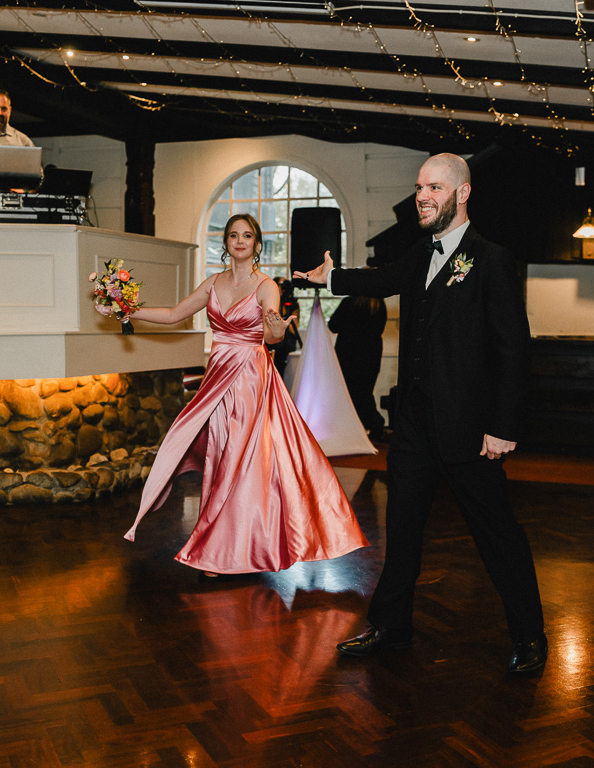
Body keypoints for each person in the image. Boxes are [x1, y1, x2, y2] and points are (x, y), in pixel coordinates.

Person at [294, 153, 547, 674]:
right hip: (413, 426)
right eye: (418, 187)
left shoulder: (491, 259)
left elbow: (513, 350)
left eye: (434, 187)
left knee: (497, 533)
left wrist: (503, 427)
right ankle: (392, 626)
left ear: (463, 193)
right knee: (403, 528)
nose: (422, 197)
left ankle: (529, 635)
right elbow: (382, 279)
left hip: (470, 430)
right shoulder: (419, 253)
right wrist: (332, 276)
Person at [124, 213, 368, 576]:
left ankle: (220, 551)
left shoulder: (266, 286)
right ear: (226, 242)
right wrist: (128, 310)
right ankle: (224, 546)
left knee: (239, 460)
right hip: (216, 380)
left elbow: (271, 335)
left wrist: (276, 331)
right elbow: (175, 314)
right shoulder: (213, 283)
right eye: (234, 235)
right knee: (221, 458)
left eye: (247, 235)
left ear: (257, 244)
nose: (240, 241)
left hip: (250, 380)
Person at [328, 293, 387, 441]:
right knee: (365, 391)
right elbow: (380, 328)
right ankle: (372, 424)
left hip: (348, 353)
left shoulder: (349, 302)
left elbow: (333, 325)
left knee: (348, 392)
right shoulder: (378, 304)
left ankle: (361, 425)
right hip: (371, 354)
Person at [266, 276, 301, 378]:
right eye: (281, 285)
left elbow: (294, 329)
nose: (283, 288)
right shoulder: (269, 302)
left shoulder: (293, 303)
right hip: (272, 340)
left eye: (285, 284)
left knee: (281, 347)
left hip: (287, 341)